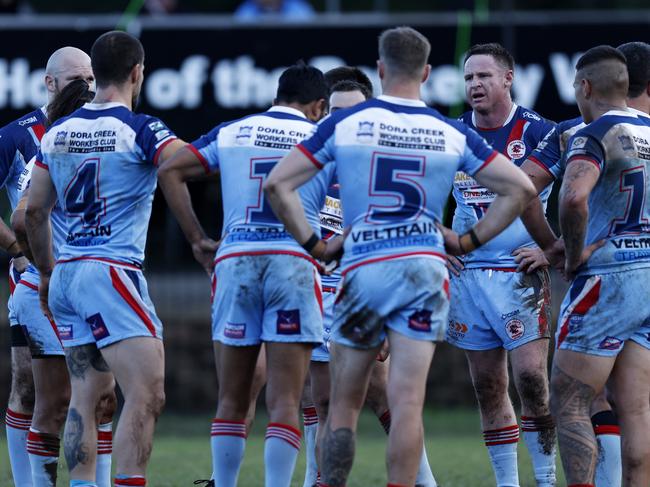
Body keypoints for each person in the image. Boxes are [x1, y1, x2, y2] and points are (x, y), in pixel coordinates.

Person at [264, 26, 536, 487]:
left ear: (381, 69)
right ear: (428, 72)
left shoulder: (344, 123)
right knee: (406, 402)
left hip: (365, 265)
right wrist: (465, 241)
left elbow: (276, 185)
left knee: (343, 405)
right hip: (424, 268)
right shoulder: (449, 129)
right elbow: (521, 189)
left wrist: (317, 246)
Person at [158, 62, 328, 487]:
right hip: (292, 262)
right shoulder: (323, 137)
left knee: (232, 398)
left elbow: (170, 171)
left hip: (236, 261)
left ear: (277, 95)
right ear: (319, 106)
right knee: (286, 400)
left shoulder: (233, 131)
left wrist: (198, 238)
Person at [25, 31, 184, 486]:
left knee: (86, 396)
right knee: (147, 391)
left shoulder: (57, 132)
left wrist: (46, 273)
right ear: (137, 73)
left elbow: (34, 211)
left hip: (68, 275)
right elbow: (186, 163)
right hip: (111, 271)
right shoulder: (140, 128)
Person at [518, 41, 650, 487]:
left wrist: (569, 252)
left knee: (570, 401)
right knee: (636, 409)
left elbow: (570, 198)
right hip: (648, 276)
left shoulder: (589, 132)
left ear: (586, 86)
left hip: (607, 280)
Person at [302, 77, 437, 487]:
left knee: (383, 394)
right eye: (335, 112)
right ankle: (316, 480)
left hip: (362, 297)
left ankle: (424, 481)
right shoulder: (311, 163)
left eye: (352, 111)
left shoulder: (383, 168)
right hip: (313, 296)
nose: (342, 121)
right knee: (318, 399)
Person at [446, 42, 557, 487]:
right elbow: (422, 197)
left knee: (532, 380)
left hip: (520, 273)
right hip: (468, 276)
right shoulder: (451, 135)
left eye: (484, 76)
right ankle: (507, 483)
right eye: (469, 77)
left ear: (508, 78)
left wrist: (552, 249)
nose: (475, 84)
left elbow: (551, 199)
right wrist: (440, 248)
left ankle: (547, 479)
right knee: (488, 387)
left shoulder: (538, 131)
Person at [10, 79, 117, 487]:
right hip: (55, 289)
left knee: (100, 401)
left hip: (87, 288)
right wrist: (47, 267)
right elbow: (23, 217)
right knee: (56, 404)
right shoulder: (52, 151)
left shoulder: (93, 153)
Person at [1, 45, 95, 487]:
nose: (86, 88)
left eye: (91, 79)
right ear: (50, 83)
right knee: (29, 386)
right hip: (34, 280)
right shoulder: (18, 135)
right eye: (76, 80)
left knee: (96, 393)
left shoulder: (101, 128)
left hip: (89, 276)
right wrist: (18, 251)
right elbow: (24, 214)